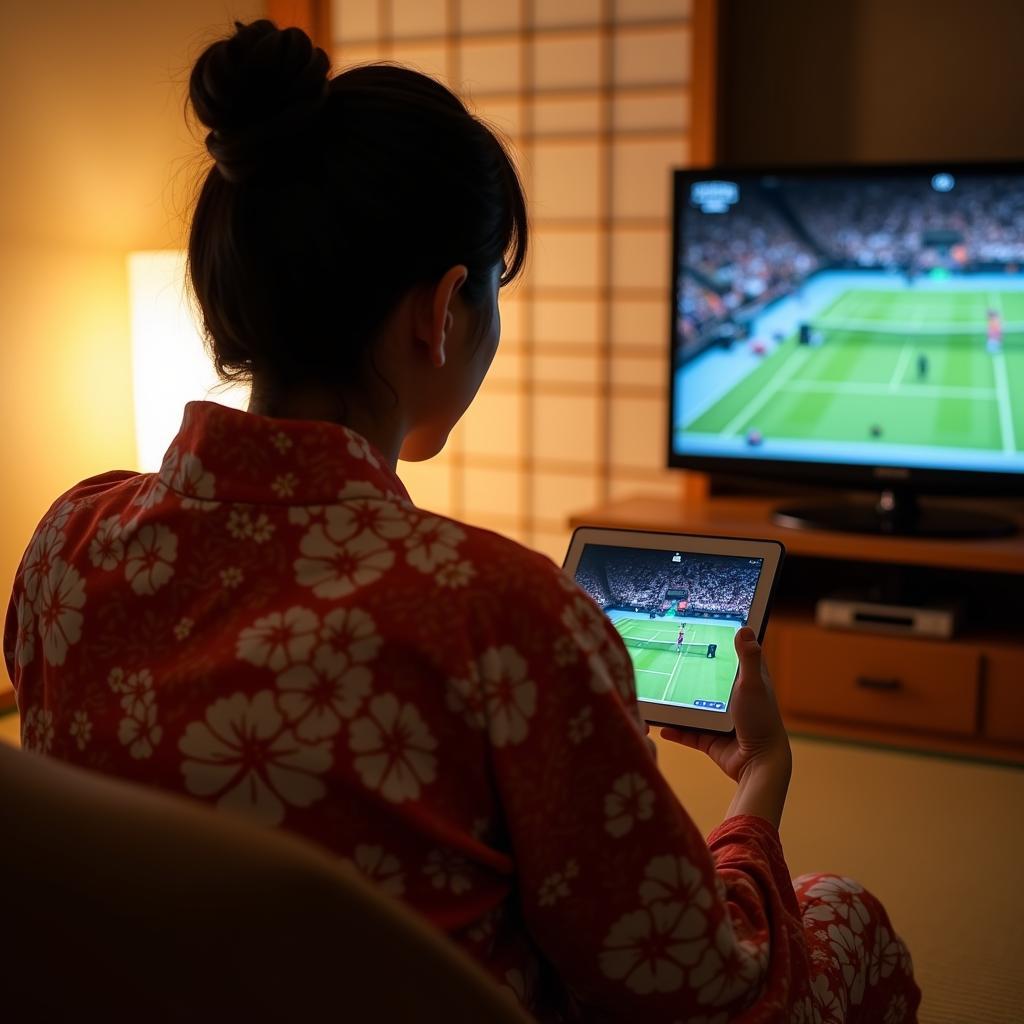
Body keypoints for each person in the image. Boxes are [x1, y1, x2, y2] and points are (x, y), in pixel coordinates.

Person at [2, 19, 920, 1023]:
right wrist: (759, 790)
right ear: (441, 310)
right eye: (494, 290)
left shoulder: (66, 543)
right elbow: (704, 995)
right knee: (842, 913)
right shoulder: (505, 614)